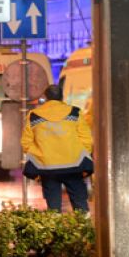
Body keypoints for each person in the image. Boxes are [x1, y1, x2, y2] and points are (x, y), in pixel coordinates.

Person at [22, 84, 93, 213]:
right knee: (81, 205)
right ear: (62, 97)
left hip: (48, 169)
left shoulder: (34, 115)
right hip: (74, 166)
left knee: (53, 209)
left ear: (46, 98)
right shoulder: (75, 113)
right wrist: (81, 155)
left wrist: (40, 158)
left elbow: (26, 143)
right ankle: (83, 229)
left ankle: (55, 231)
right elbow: (87, 139)